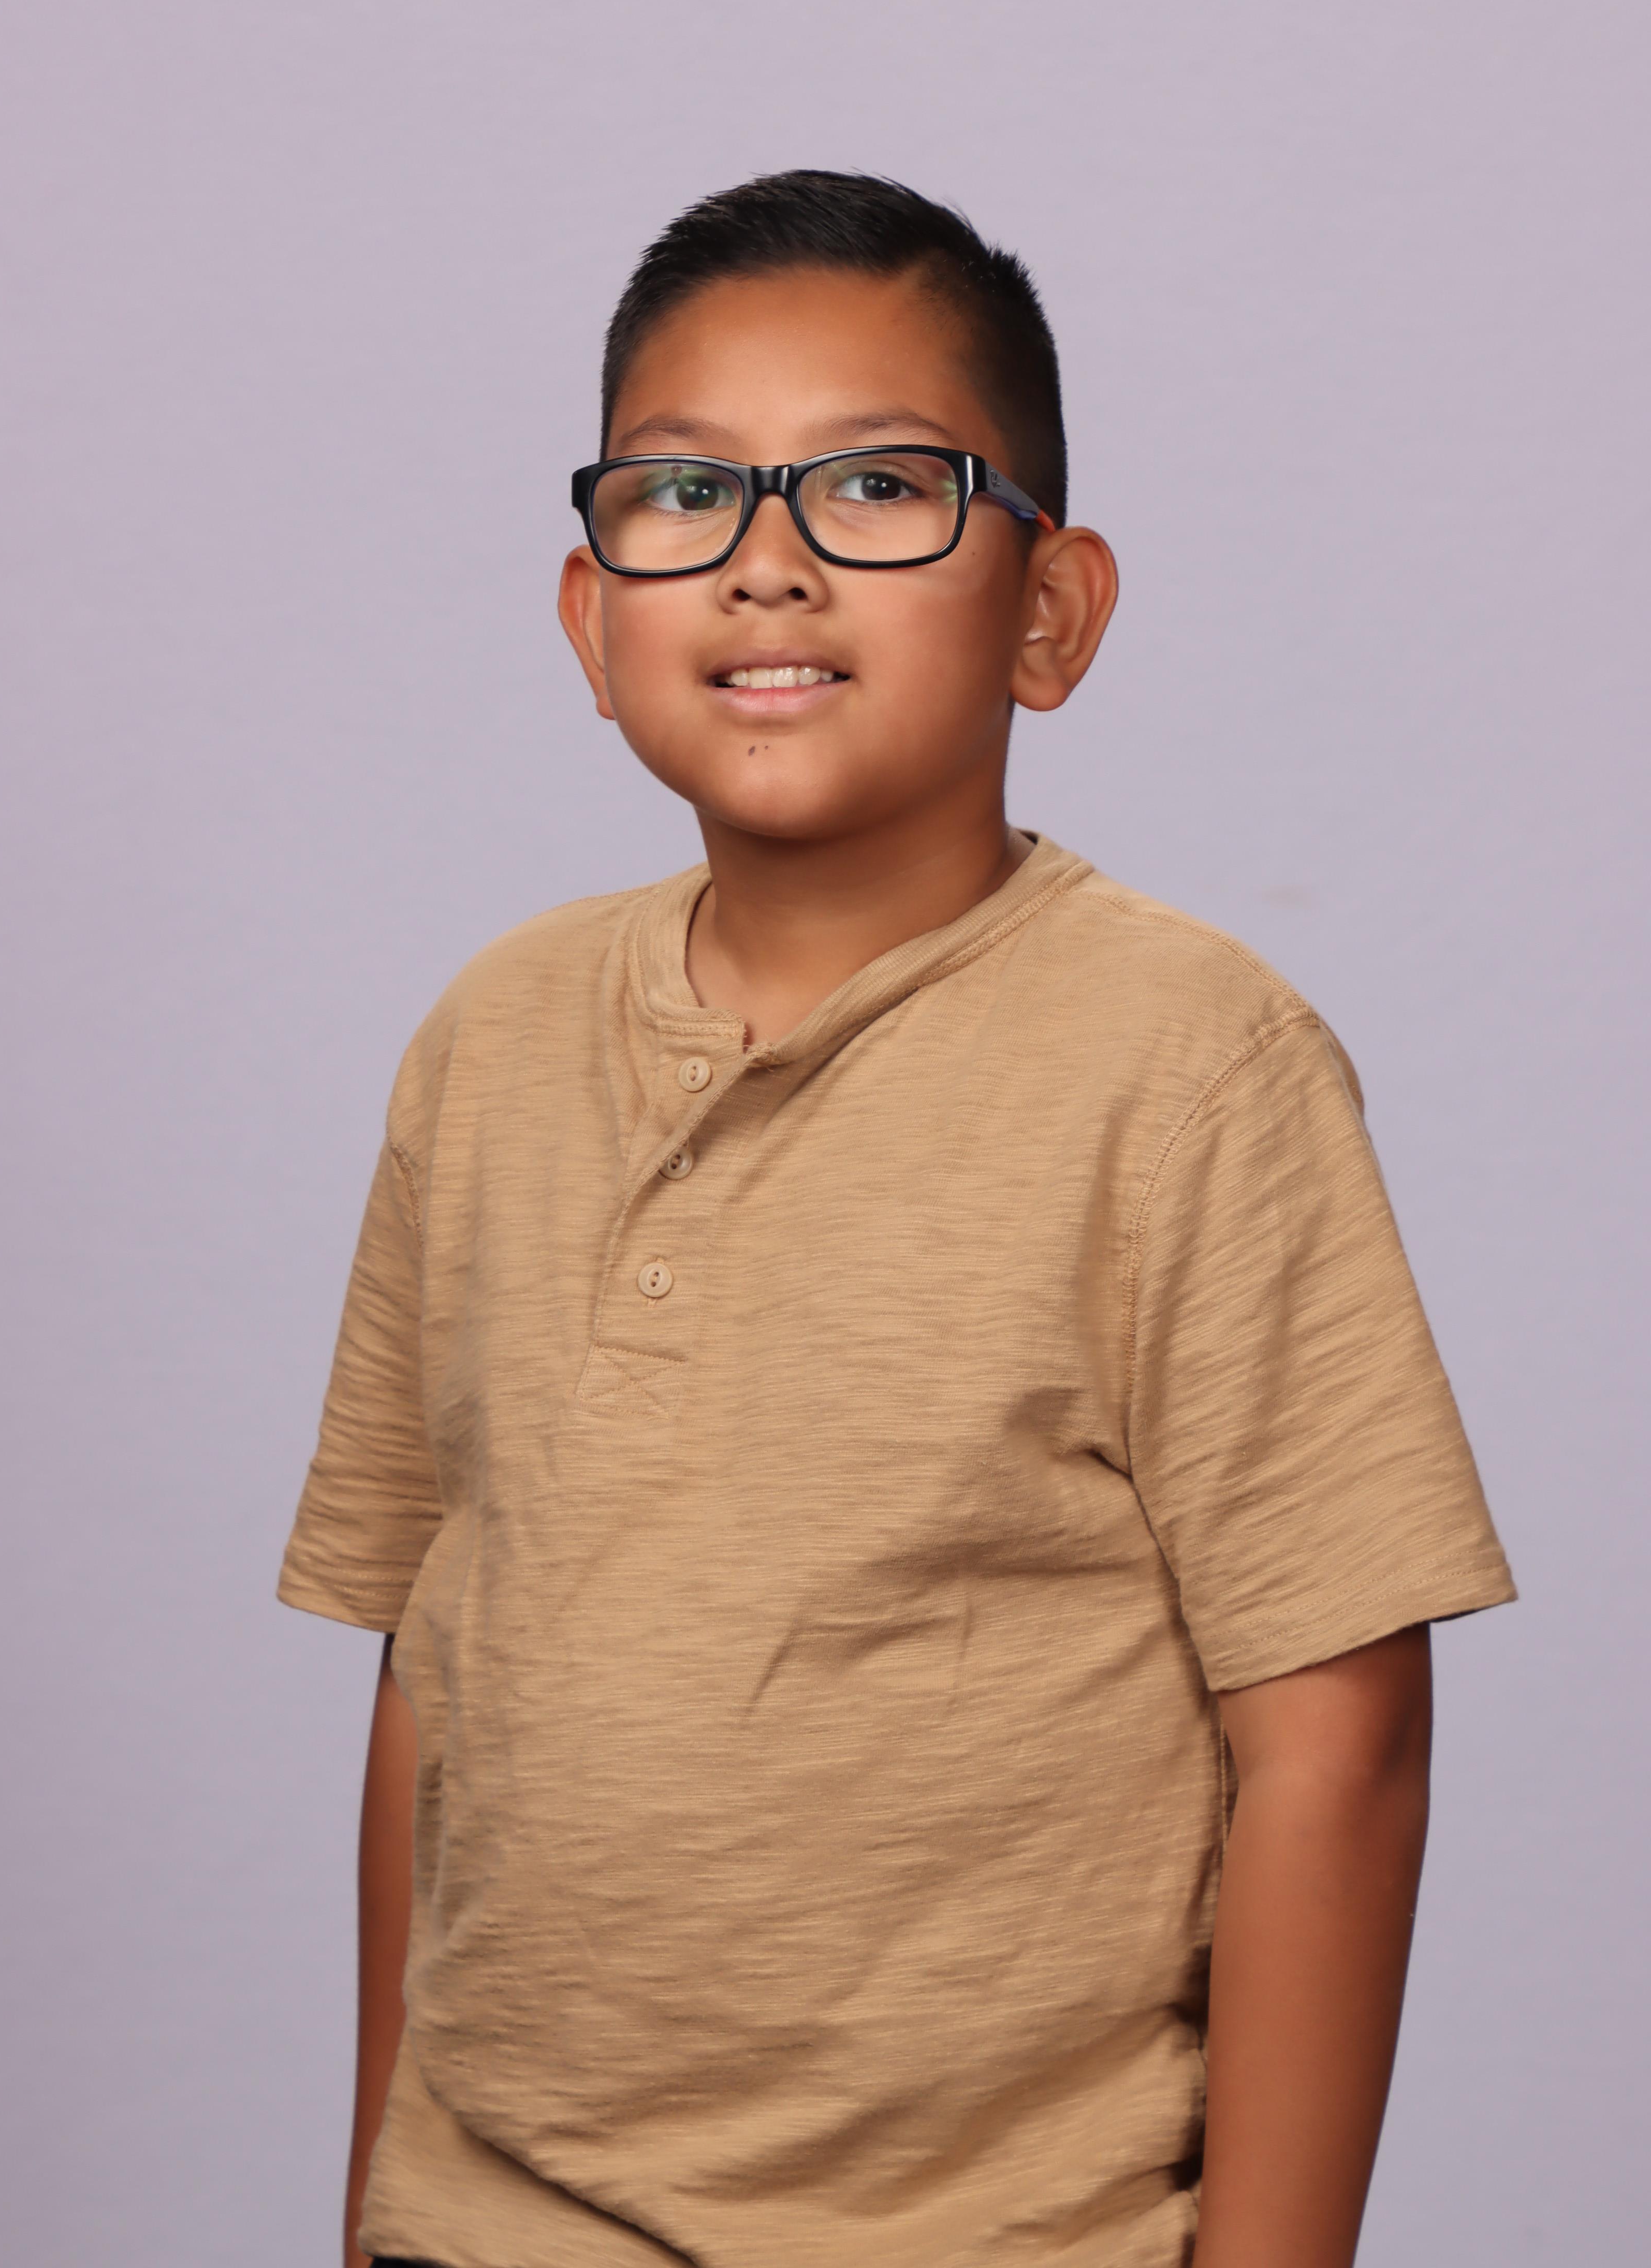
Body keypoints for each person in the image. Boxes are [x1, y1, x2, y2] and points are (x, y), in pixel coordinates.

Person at [279, 169, 1515, 2268]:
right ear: (590, 620)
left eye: (875, 486)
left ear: (1051, 613)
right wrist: (378, 2211)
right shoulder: (489, 1039)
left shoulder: (1191, 1066)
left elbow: (1340, 1741)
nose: (764, 563)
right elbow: (430, 1665)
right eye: (683, 495)